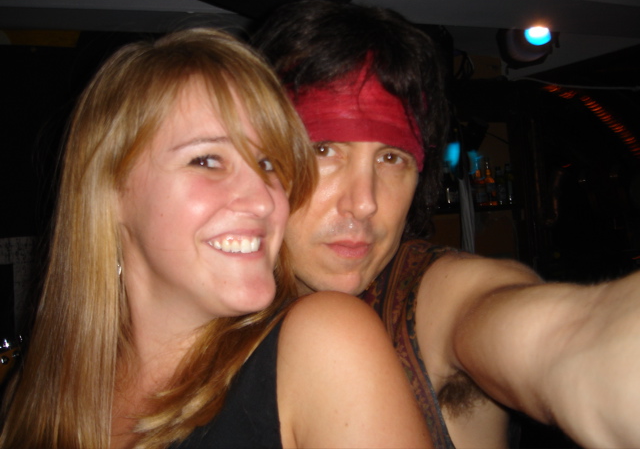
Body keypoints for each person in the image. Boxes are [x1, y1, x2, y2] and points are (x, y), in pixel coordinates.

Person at [0, 27, 432, 449]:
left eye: (268, 164)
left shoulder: (324, 343)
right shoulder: (31, 394)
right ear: (111, 193)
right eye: (207, 160)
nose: (264, 200)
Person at [253, 0, 640, 449]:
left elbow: (559, 338)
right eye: (324, 150)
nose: (364, 203)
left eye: (392, 157)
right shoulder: (216, 310)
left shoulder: (429, 299)